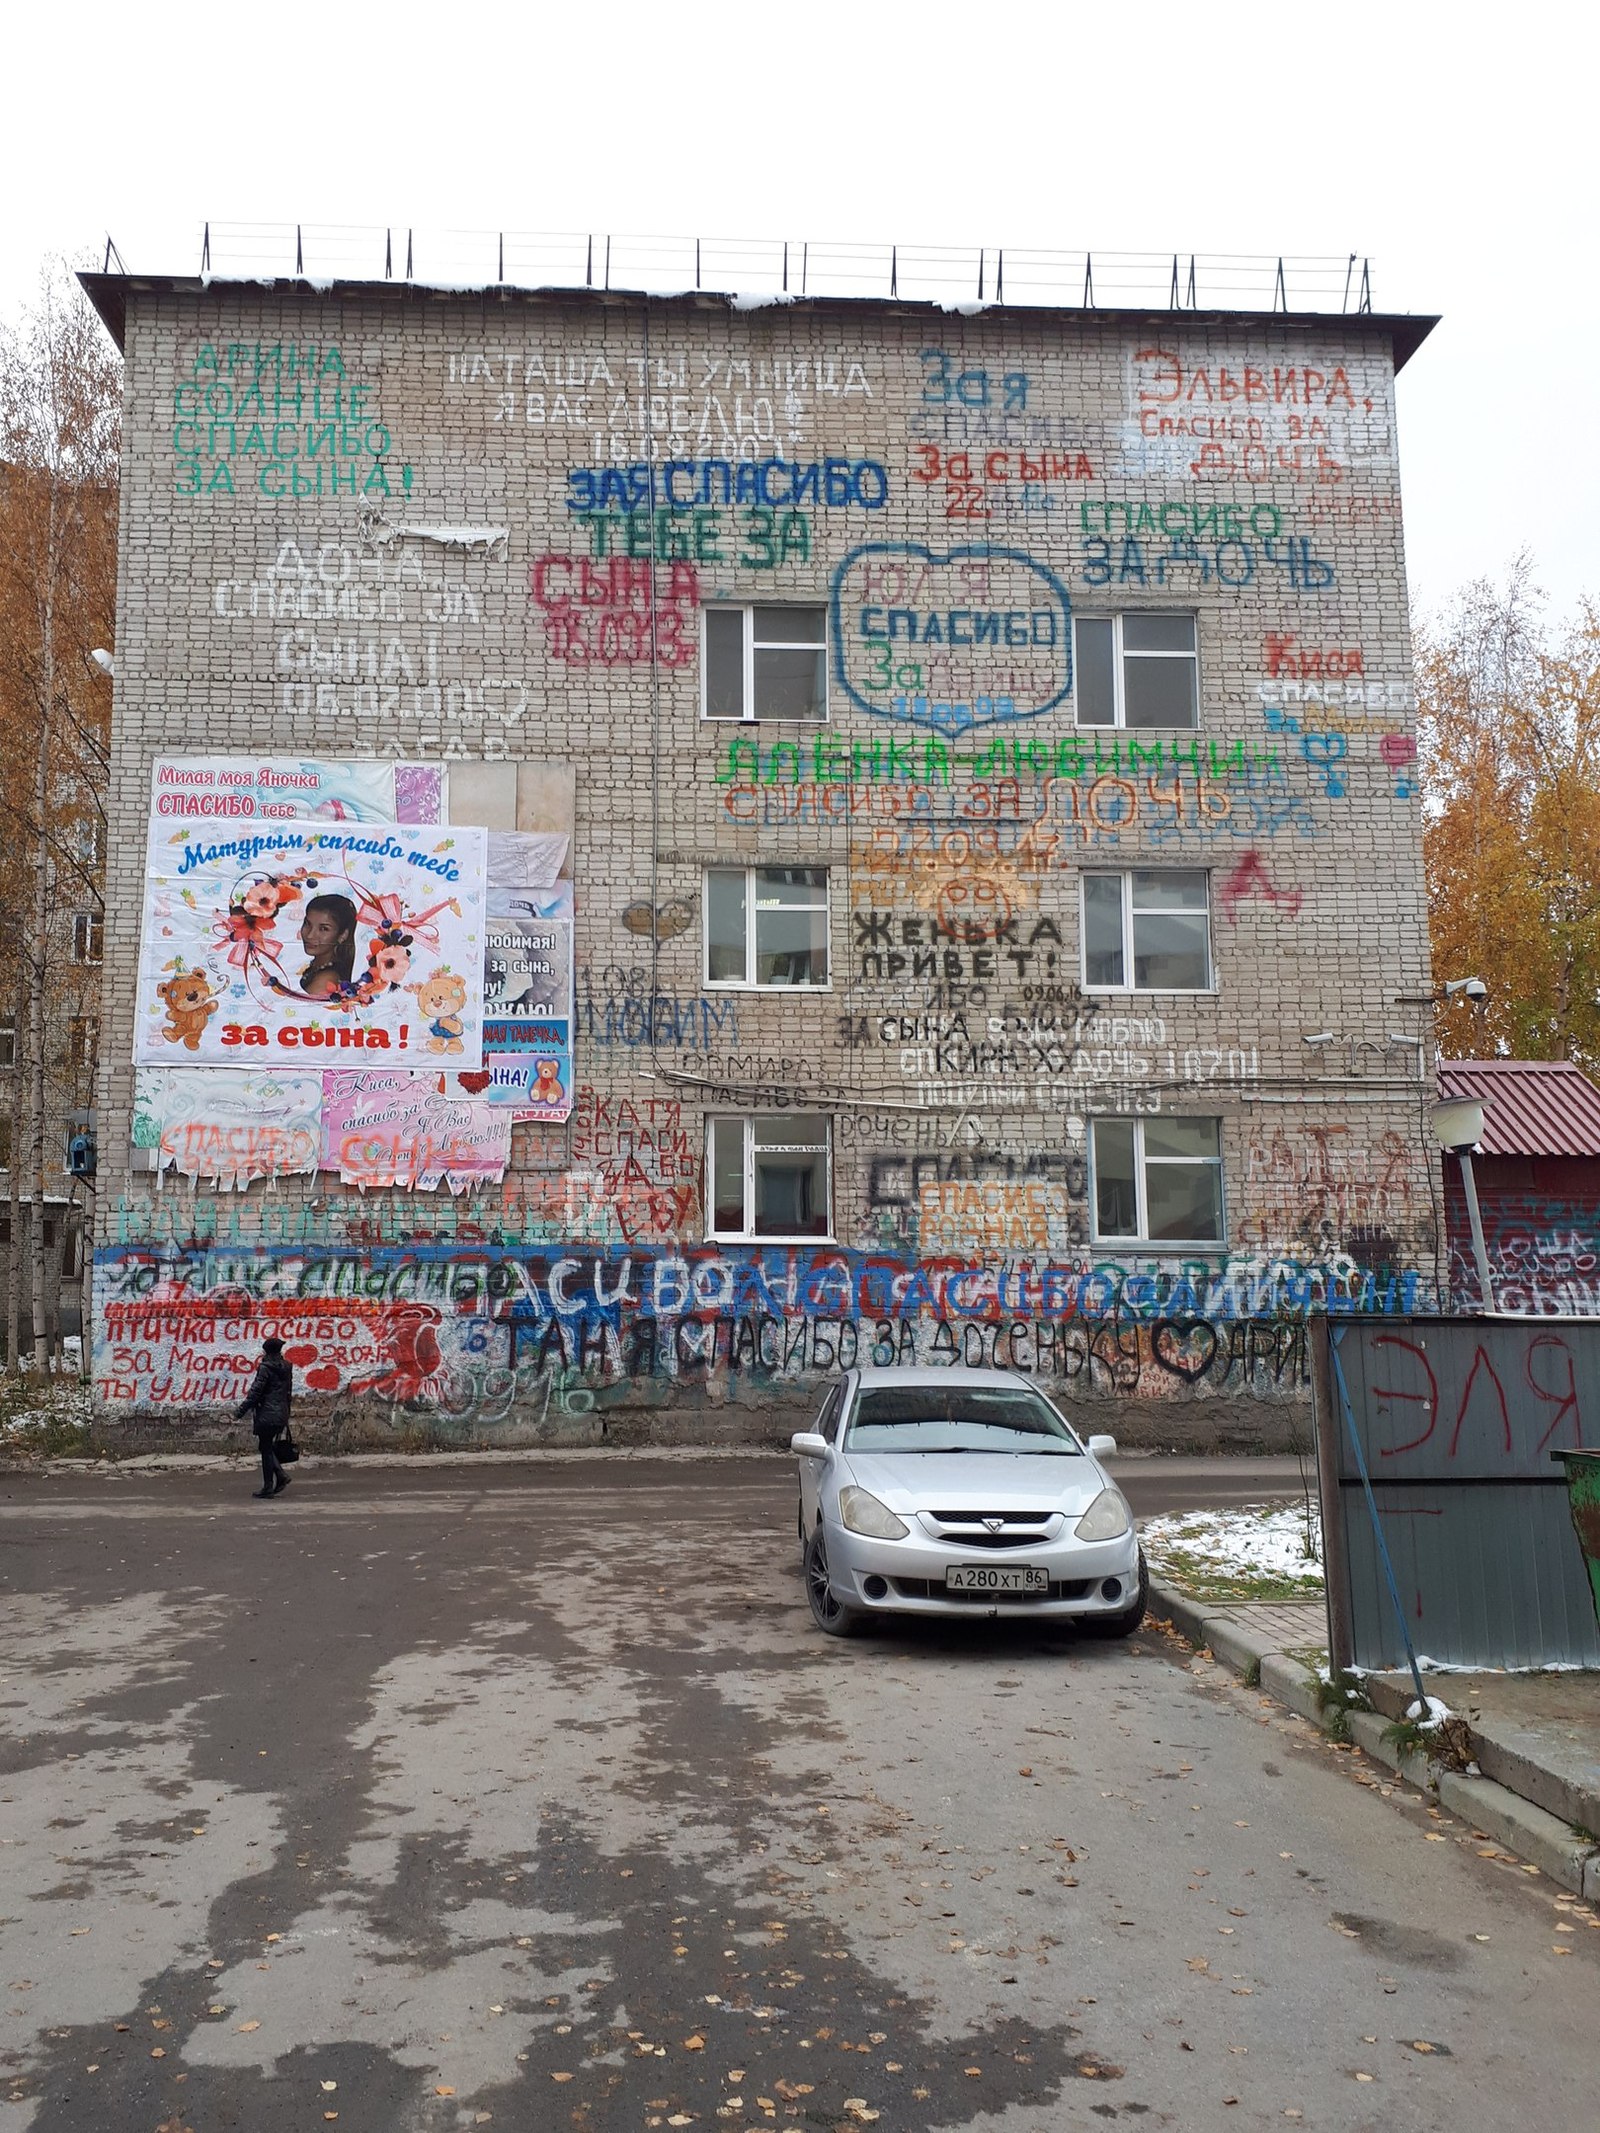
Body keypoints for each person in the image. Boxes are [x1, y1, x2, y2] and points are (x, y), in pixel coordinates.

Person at [236, 1335, 294, 1498]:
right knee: (266, 1447)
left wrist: (241, 1410)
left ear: (266, 1351)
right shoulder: (287, 1367)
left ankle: (272, 1483)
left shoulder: (265, 1368)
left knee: (266, 1448)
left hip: (267, 1413)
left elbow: (256, 1392)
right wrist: (287, 1412)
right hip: (281, 1412)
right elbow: (287, 1392)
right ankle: (276, 1479)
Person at [300, 892, 358, 998]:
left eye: (324, 929)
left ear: (343, 935)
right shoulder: (319, 967)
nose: (310, 935)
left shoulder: (326, 980)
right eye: (308, 924)